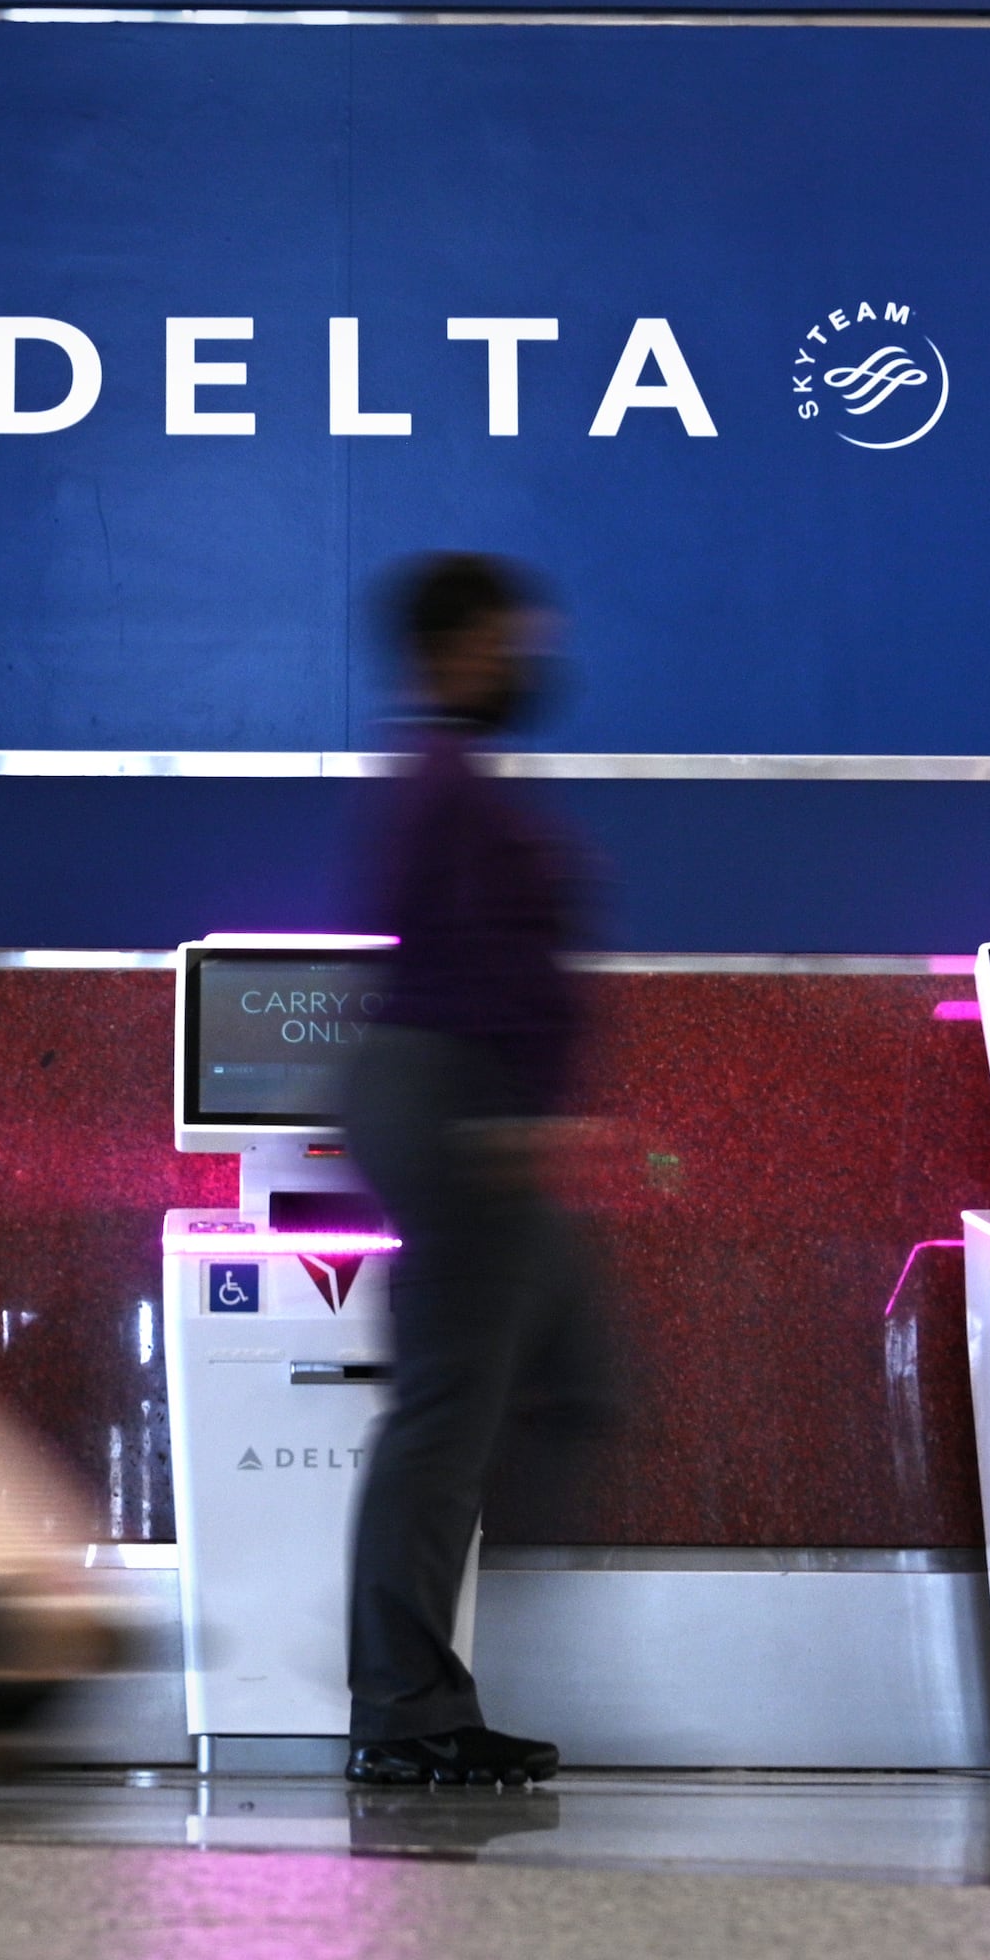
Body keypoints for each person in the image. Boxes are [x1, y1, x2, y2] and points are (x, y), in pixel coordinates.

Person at [340, 552, 611, 1790]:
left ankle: (417, 1698)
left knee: (519, 1362)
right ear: (455, 649)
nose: (529, 662)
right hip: (457, 1102)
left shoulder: (444, 783)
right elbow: (477, 969)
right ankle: (404, 1713)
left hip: (457, 1102)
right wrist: (511, 1116)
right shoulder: (449, 791)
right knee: (445, 1420)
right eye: (511, 642)